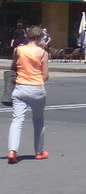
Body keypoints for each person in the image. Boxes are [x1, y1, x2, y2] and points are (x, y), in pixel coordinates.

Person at [8, 23, 50, 163]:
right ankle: (39, 152)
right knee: (38, 120)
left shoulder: (18, 50)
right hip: (37, 88)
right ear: (39, 37)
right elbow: (45, 75)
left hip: (20, 87)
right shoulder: (43, 53)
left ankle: (12, 151)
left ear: (28, 36)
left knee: (17, 120)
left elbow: (13, 67)